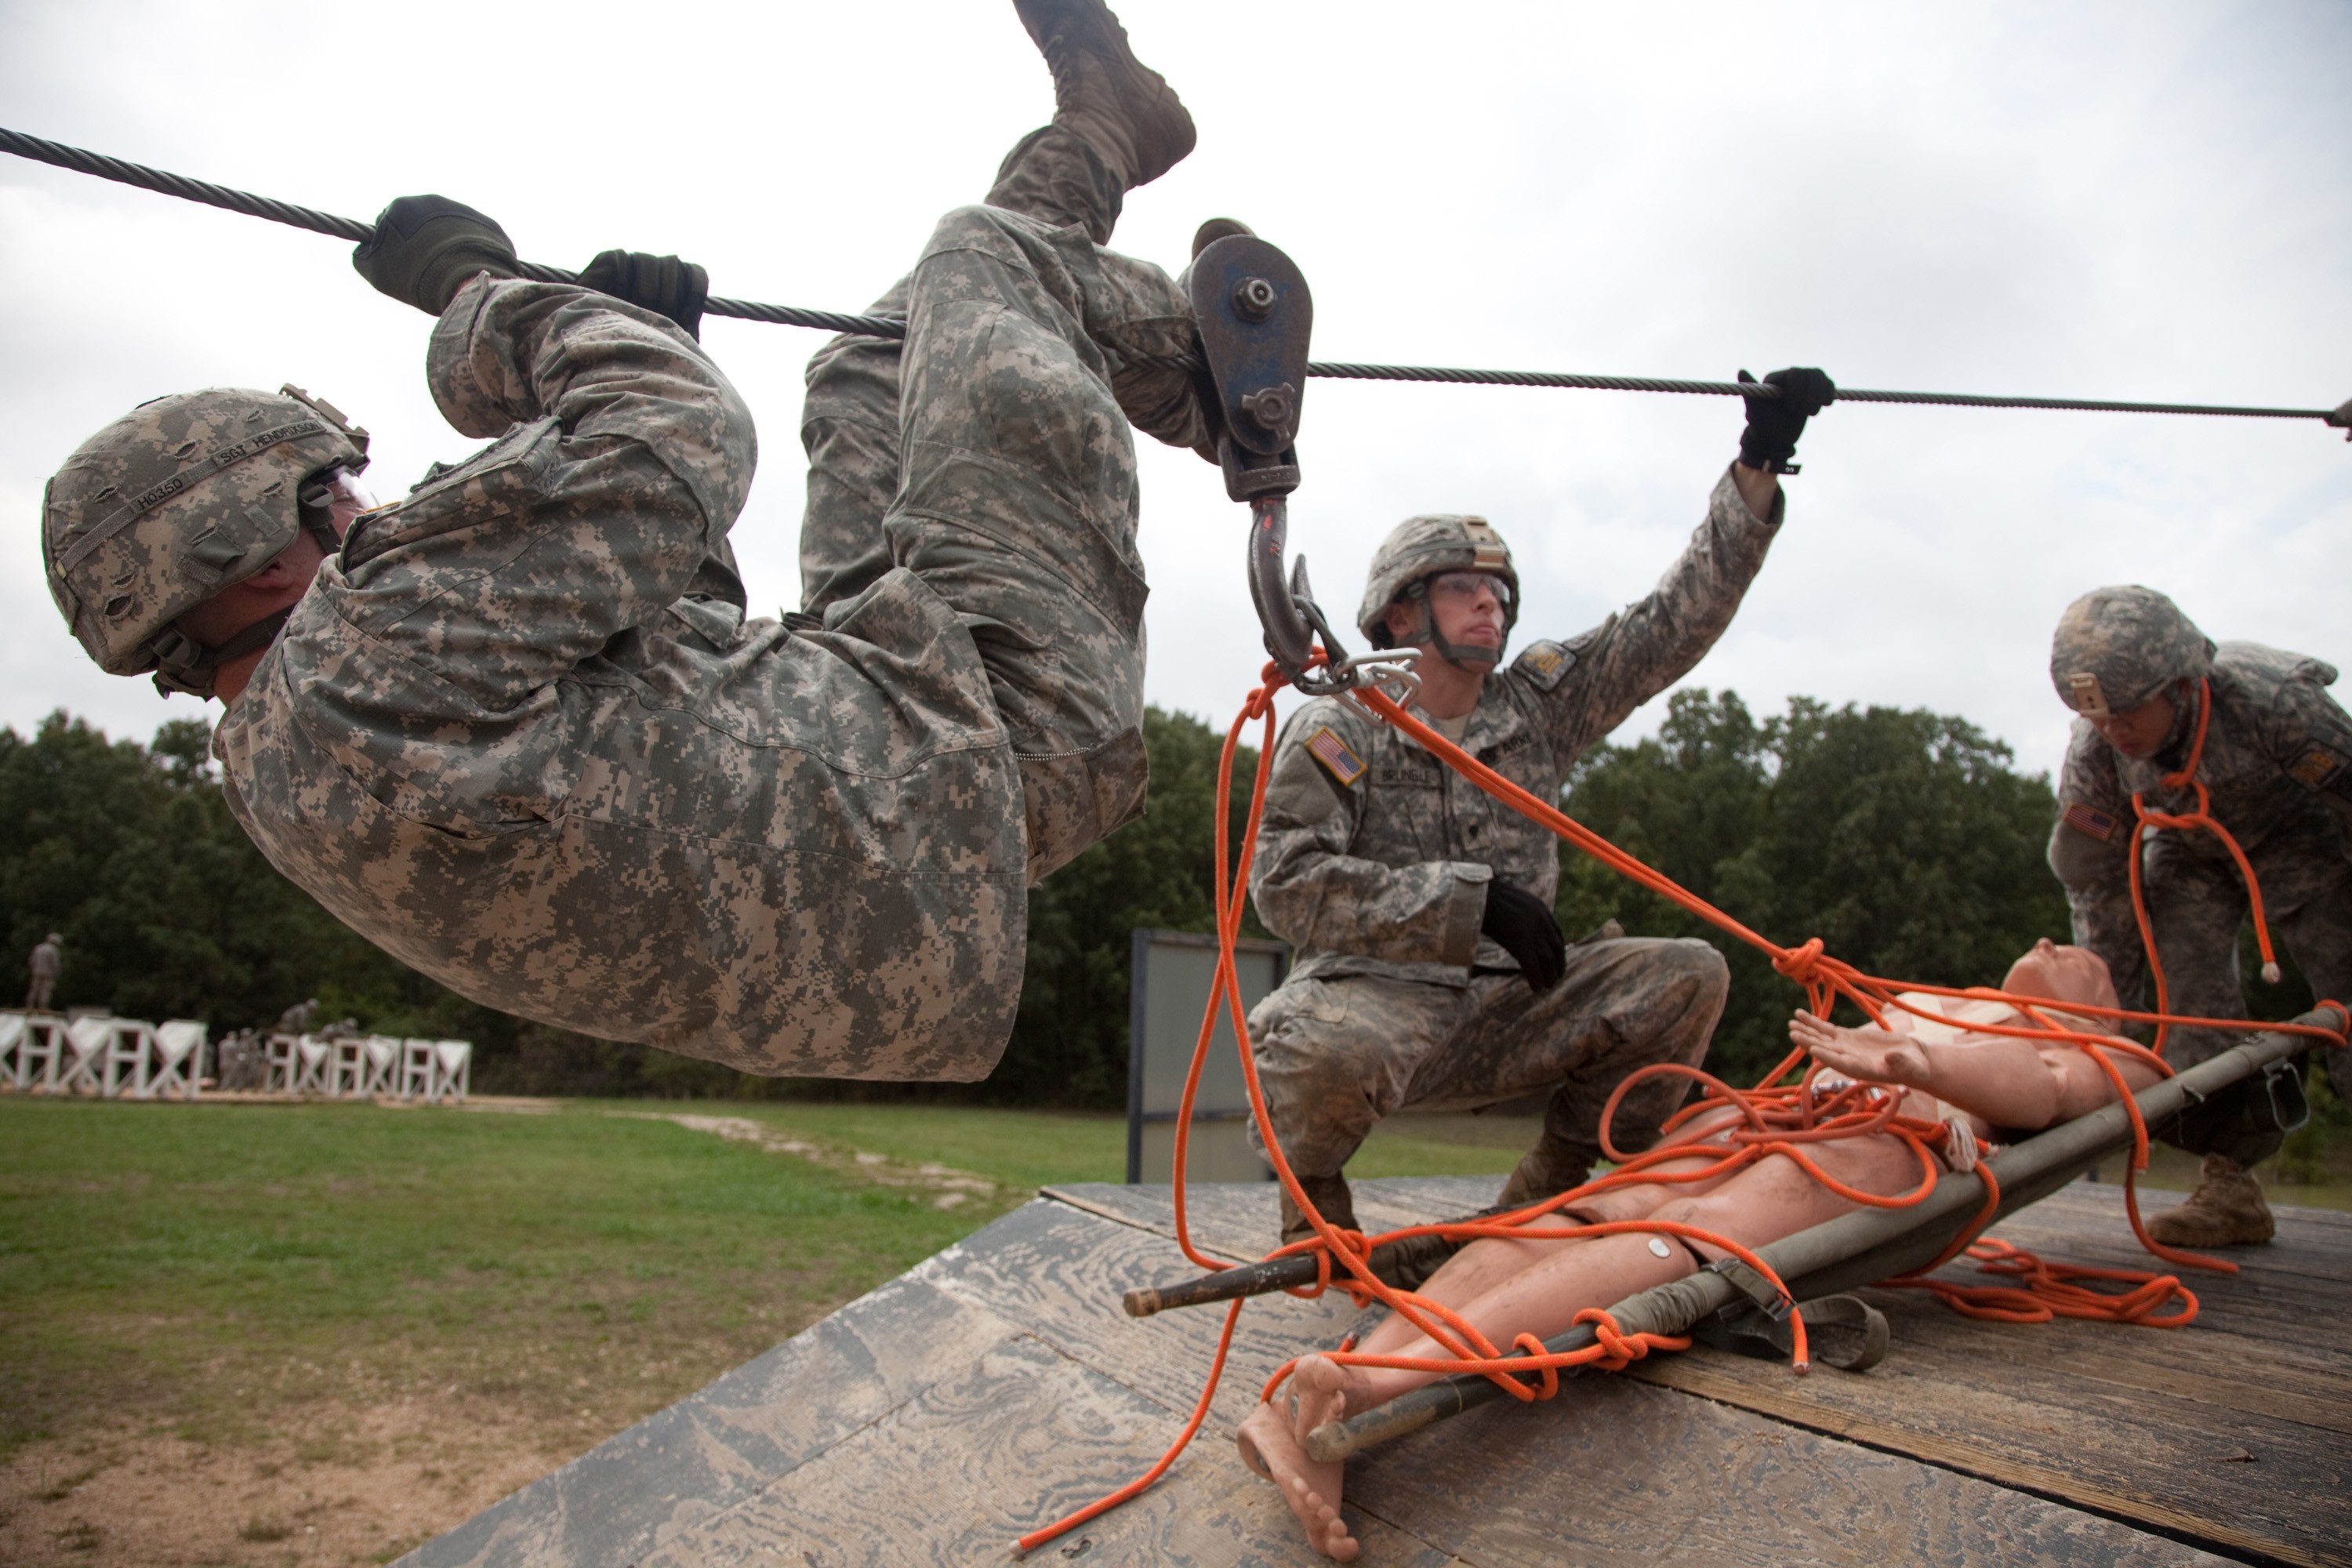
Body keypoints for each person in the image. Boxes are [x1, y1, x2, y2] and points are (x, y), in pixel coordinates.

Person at [39, 0, 1210, 1082]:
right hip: (1008, 718)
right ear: (245, 540)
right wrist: (480, 291)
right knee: (979, 262)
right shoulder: (364, 641)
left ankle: (1104, 127)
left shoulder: (284, 770)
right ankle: (1222, 374)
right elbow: (687, 428)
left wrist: (628, 354)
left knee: (868, 367)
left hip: (913, 768)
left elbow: (669, 663)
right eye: (326, 483)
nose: (357, 500)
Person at [1238, 938, 2155, 1562]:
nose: (2062, 942)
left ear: (2108, 1015)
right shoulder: (1947, 996)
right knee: (1570, 1218)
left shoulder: (2102, 1051)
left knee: (1674, 1243)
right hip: (1763, 1119)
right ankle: (1343, 1372)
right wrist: (1892, 1049)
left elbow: (2041, 1086)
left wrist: (1926, 1068)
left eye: (2093, 963)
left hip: (1890, 1138)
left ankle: (1367, 1388)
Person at [1243, 370, 1837, 1242]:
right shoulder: (1339, 726)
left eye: (1500, 591)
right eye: (1463, 587)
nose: (1493, 601)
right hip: (1379, 1007)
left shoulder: (1537, 706)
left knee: (1687, 973)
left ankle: (1549, 1193)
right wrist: (1465, 902)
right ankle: (1316, 1222)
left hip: (1518, 1008)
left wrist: (1757, 466)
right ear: (1401, 609)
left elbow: (1667, 625)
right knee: (1298, 1043)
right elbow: (1284, 883)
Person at [2046, 586, 2352, 1247]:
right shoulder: (2099, 754)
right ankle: (2232, 1189)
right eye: (2098, 715)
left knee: (2349, 990)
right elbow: (2095, 884)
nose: (2114, 730)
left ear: (2182, 684)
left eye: (2128, 711)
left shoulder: (2275, 705)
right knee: (2186, 1006)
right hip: (2189, 849)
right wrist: (2116, 1016)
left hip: (2305, 841)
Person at [24, 933, 62, 1011]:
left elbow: (31, 961)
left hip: (37, 972)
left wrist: (33, 969)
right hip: (48, 973)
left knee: (34, 989)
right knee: (45, 990)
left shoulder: (38, 948)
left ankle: (30, 1005)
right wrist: (57, 971)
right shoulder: (53, 950)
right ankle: (43, 1006)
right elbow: (55, 963)